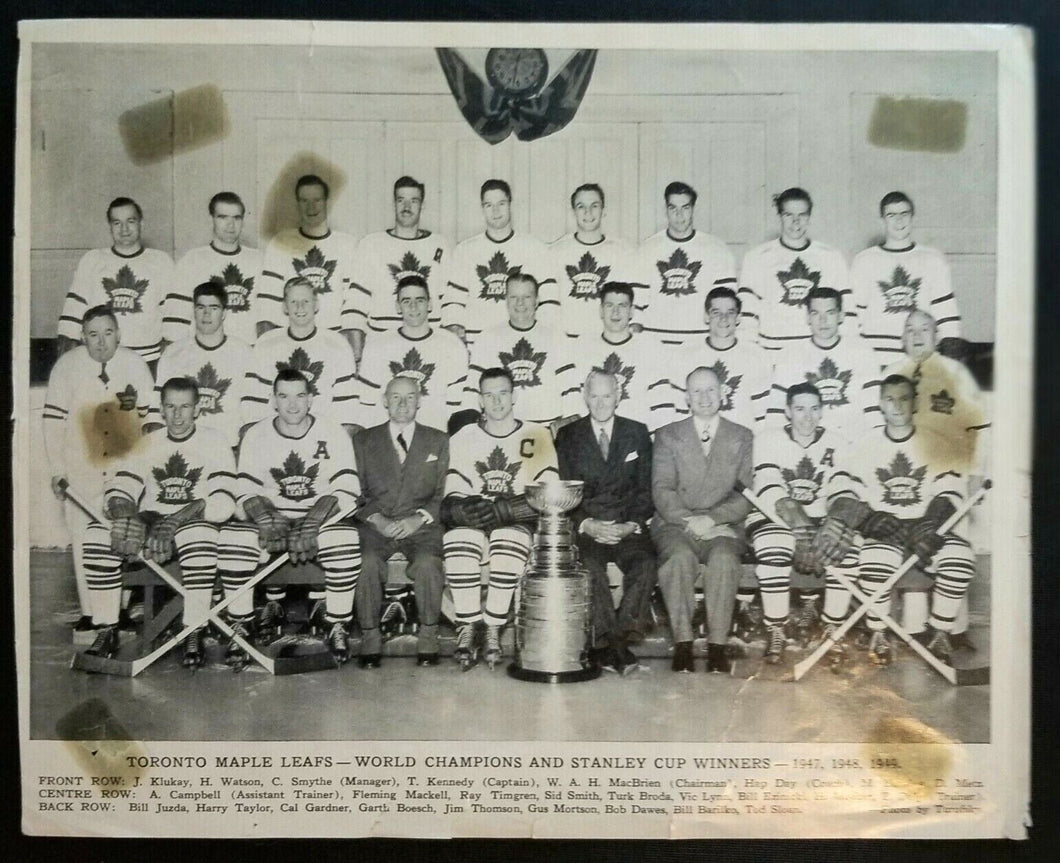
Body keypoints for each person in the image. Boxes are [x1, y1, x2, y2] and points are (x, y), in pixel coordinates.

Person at [812, 374, 975, 666]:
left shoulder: (937, 443)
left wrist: (930, 524)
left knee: (960, 556)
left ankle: (939, 632)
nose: (897, 406)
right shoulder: (864, 444)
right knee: (876, 561)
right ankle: (878, 631)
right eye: (889, 399)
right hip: (883, 528)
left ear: (914, 404)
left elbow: (949, 488)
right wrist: (866, 518)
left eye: (904, 398)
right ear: (880, 404)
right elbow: (840, 485)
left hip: (925, 527)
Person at [78, 376, 236, 668]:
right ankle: (107, 628)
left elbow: (224, 502)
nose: (177, 415)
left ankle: (194, 629)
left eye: (185, 406)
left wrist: (177, 521)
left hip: (195, 521)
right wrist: (128, 518)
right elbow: (120, 487)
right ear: (161, 409)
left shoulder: (215, 441)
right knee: (97, 534)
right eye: (171, 407)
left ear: (197, 409)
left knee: (199, 536)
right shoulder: (148, 442)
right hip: (151, 522)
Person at [220, 369, 362, 665]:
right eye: (284, 396)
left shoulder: (332, 431)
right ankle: (241, 623)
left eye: (300, 396)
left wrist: (313, 522)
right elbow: (244, 489)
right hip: (274, 520)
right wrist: (265, 516)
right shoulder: (257, 433)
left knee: (345, 538)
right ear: (273, 400)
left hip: (319, 518)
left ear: (311, 399)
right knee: (233, 537)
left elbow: (348, 490)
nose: (292, 404)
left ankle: (336, 622)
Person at [44, 306, 157, 628]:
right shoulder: (66, 367)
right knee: (83, 536)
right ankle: (91, 612)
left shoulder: (135, 365)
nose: (101, 342)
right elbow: (52, 421)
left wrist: (147, 464)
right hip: (80, 464)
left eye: (108, 333)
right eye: (93, 334)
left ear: (118, 333)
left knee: (119, 532)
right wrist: (56, 470)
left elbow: (149, 419)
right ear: (82, 336)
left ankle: (118, 607)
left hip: (124, 465)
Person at [442, 367, 559, 670]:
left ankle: (493, 626)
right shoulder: (465, 435)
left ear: (514, 396)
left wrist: (506, 510)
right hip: (477, 519)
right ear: (480, 400)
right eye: (489, 395)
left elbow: (548, 492)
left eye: (503, 393)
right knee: (458, 537)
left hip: (517, 520)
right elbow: (453, 490)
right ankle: (467, 626)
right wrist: (462, 508)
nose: (496, 402)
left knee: (506, 537)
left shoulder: (537, 434)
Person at [652, 366, 753, 673]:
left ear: (723, 393)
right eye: (697, 391)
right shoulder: (668, 435)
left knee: (724, 559)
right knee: (678, 558)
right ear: (686, 397)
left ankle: (717, 645)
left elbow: (746, 493)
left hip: (722, 524)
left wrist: (711, 520)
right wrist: (689, 521)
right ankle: (683, 644)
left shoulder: (742, 436)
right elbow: (662, 489)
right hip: (675, 523)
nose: (705, 397)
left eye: (711, 390)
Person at [555, 371, 657, 674]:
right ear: (585, 396)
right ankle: (613, 645)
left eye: (608, 396)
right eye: (595, 396)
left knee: (647, 564)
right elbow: (563, 491)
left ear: (619, 396)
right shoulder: (569, 435)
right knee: (589, 568)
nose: (601, 403)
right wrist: (586, 523)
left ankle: (614, 640)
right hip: (589, 529)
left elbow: (646, 489)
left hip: (627, 527)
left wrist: (631, 525)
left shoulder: (637, 433)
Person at [747, 382, 856, 664]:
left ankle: (832, 626)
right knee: (774, 544)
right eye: (799, 409)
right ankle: (776, 628)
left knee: (849, 546)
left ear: (822, 411)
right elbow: (769, 486)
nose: (807, 417)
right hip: (773, 513)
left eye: (814, 409)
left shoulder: (838, 441)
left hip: (818, 515)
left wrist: (837, 518)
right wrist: (800, 528)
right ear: (787, 411)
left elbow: (842, 487)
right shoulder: (767, 438)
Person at [353, 377, 450, 667]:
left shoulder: (438, 440)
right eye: (396, 397)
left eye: (410, 397)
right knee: (367, 561)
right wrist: (376, 517)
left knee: (427, 564)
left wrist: (419, 519)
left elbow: (445, 491)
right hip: (376, 524)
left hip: (422, 525)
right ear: (384, 400)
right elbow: (353, 491)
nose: (403, 404)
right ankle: (370, 639)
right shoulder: (363, 440)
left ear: (420, 401)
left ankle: (428, 639)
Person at [57, 197, 174, 363]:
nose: (124, 229)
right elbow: (73, 314)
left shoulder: (161, 261)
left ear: (142, 224)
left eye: (131, 221)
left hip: (148, 358)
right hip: (102, 357)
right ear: (109, 227)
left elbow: (172, 314)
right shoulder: (93, 260)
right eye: (117, 223)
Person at [441, 179, 559, 343]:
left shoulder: (534, 247)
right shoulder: (465, 250)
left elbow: (549, 301)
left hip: (521, 341)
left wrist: (541, 337)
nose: (495, 211)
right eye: (489, 205)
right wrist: (455, 329)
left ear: (510, 204)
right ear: (482, 208)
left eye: (501, 203)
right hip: (478, 340)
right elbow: (453, 300)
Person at [851, 191, 963, 363]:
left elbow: (947, 316)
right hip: (875, 357)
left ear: (913, 218)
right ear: (882, 220)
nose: (899, 220)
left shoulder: (932, 259)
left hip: (920, 357)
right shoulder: (864, 260)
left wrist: (949, 362)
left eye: (904, 214)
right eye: (891, 215)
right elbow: (854, 316)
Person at [242, 276, 361, 436]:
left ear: (316, 304)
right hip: (276, 433)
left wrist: (330, 437)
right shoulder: (266, 343)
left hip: (323, 433)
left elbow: (347, 405)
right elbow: (253, 400)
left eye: (306, 301)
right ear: (284, 307)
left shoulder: (337, 344)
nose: (300, 307)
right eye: (293, 302)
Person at [738, 187, 851, 352]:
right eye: (788, 215)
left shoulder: (831, 256)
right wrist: (749, 352)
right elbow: (748, 313)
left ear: (809, 217)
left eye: (802, 215)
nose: (795, 222)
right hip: (773, 350)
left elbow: (846, 312)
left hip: (817, 350)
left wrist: (843, 351)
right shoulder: (757, 257)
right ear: (780, 216)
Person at [343, 176, 451, 342]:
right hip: (382, 338)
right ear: (394, 204)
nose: (407, 207)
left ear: (422, 205)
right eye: (401, 200)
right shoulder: (371, 243)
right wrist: (356, 341)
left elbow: (448, 299)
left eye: (414, 201)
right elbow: (357, 299)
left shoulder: (439, 244)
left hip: (429, 338)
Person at [765, 286, 880, 441]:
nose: (823, 320)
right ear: (807, 317)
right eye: (815, 313)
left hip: (854, 443)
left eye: (830, 313)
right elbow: (776, 413)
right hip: (807, 445)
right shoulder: (790, 355)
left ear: (841, 316)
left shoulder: (862, 351)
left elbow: (875, 411)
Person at [357, 274, 469, 432]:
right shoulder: (377, 345)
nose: (413, 307)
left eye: (420, 300)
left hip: (434, 437)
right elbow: (366, 405)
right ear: (397, 306)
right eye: (406, 301)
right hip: (388, 439)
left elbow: (456, 407)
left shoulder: (451, 345)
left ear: (430, 304)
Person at [466, 273, 578, 427]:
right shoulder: (488, 337)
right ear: (506, 300)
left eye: (527, 297)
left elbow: (570, 390)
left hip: (546, 430)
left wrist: (569, 431)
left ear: (537, 301)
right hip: (502, 430)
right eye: (514, 297)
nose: (520, 303)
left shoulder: (555, 337)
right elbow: (473, 388)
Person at [257, 174, 358, 345]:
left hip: (333, 340)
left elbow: (353, 305)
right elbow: (267, 305)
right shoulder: (281, 243)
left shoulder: (347, 244)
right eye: (304, 201)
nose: (311, 207)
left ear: (327, 202)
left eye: (317, 200)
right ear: (297, 204)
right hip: (292, 340)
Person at [882, 309, 986, 473]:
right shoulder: (889, 374)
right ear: (902, 339)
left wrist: (976, 471)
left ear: (937, 338)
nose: (917, 336)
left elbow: (979, 427)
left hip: (948, 465)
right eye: (910, 330)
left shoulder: (956, 372)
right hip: (903, 465)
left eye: (924, 329)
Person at [635, 181, 737, 346]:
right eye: (673, 208)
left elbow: (726, 303)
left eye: (685, 208)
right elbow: (637, 302)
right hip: (655, 342)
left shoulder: (716, 249)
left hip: (700, 342)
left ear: (693, 209)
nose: (679, 215)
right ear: (665, 210)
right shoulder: (647, 248)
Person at [156, 282, 252, 450]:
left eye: (214, 308)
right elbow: (158, 404)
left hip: (229, 445)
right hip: (185, 445)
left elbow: (251, 406)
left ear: (224, 313)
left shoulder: (243, 352)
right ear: (193, 311)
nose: (206, 314)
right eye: (201, 307)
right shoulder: (173, 353)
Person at [565, 282, 669, 432]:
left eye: (622, 306)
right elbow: (572, 399)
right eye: (609, 305)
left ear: (632, 311)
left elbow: (662, 403)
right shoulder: (582, 346)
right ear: (601, 310)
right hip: (592, 437)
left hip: (635, 438)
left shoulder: (650, 348)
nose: (615, 312)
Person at [663, 286, 771, 430]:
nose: (723, 319)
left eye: (730, 313)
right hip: (697, 440)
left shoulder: (756, 355)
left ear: (738, 318)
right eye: (716, 312)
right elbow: (679, 410)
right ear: (706, 316)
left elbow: (762, 414)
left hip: (741, 443)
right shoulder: (685, 354)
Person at [167, 191, 263, 346]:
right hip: (205, 351)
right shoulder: (192, 260)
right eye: (223, 217)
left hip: (247, 352)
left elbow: (267, 315)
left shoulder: (258, 260)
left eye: (236, 218)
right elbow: (175, 320)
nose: (230, 225)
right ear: (211, 219)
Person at [549, 183, 639, 338]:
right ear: (573, 212)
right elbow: (548, 305)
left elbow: (634, 300)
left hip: (606, 342)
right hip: (568, 342)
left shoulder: (623, 251)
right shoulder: (556, 251)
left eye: (594, 206)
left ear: (604, 210)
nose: (588, 212)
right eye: (581, 206)